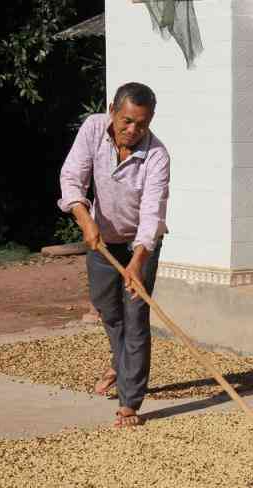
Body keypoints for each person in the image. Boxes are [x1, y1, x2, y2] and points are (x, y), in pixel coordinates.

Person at [58, 82, 170, 428]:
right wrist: (83, 217)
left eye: (142, 124)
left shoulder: (157, 155)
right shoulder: (92, 129)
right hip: (101, 239)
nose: (133, 130)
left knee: (135, 315)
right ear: (112, 111)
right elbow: (72, 176)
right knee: (108, 308)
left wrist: (137, 262)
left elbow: (152, 214)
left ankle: (129, 402)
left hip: (140, 244)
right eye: (127, 121)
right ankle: (120, 366)